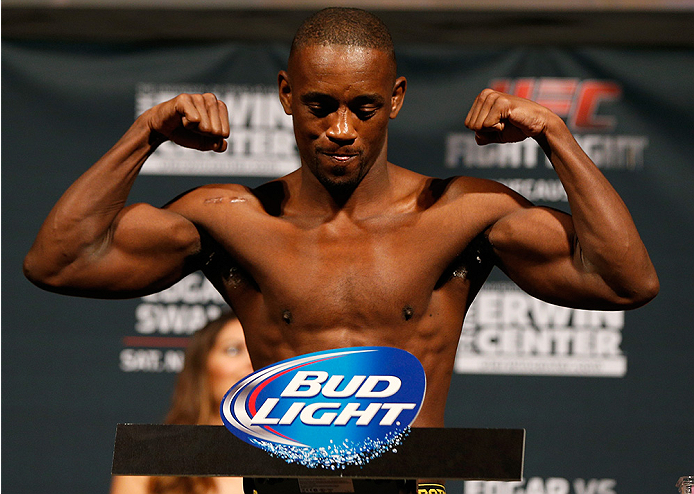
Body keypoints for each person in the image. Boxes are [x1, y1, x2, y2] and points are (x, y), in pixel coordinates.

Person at [24, 7, 658, 493]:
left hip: (417, 481)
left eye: (365, 107)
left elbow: (624, 281)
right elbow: (60, 261)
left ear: (397, 99)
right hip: (280, 481)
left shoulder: (461, 213)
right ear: (285, 95)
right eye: (320, 106)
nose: (342, 130)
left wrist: (556, 135)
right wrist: (145, 134)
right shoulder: (235, 220)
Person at [110, 310, 253, 494]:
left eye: (259, 351)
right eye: (234, 350)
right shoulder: (147, 455)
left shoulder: (297, 455)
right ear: (202, 366)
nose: (251, 362)